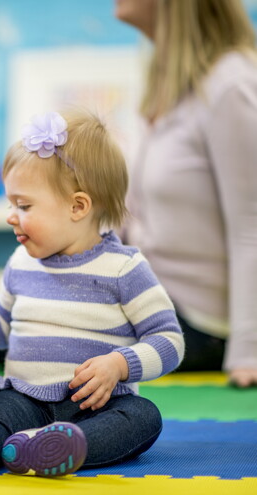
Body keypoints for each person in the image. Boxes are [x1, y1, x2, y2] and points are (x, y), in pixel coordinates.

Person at [0, 110, 184, 482]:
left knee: (142, 417)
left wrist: (119, 364)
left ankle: (59, 446)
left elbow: (170, 340)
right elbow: (2, 327)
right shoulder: (22, 262)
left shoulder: (124, 268)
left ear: (77, 207)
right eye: (10, 203)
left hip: (95, 406)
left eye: (24, 205)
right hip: (25, 398)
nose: (10, 216)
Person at [115, 0, 257, 387]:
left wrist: (249, 352)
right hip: (154, 293)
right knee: (20, 315)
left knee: (33, 335)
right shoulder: (171, 83)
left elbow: (251, 226)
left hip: (201, 322)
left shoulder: (231, 85)